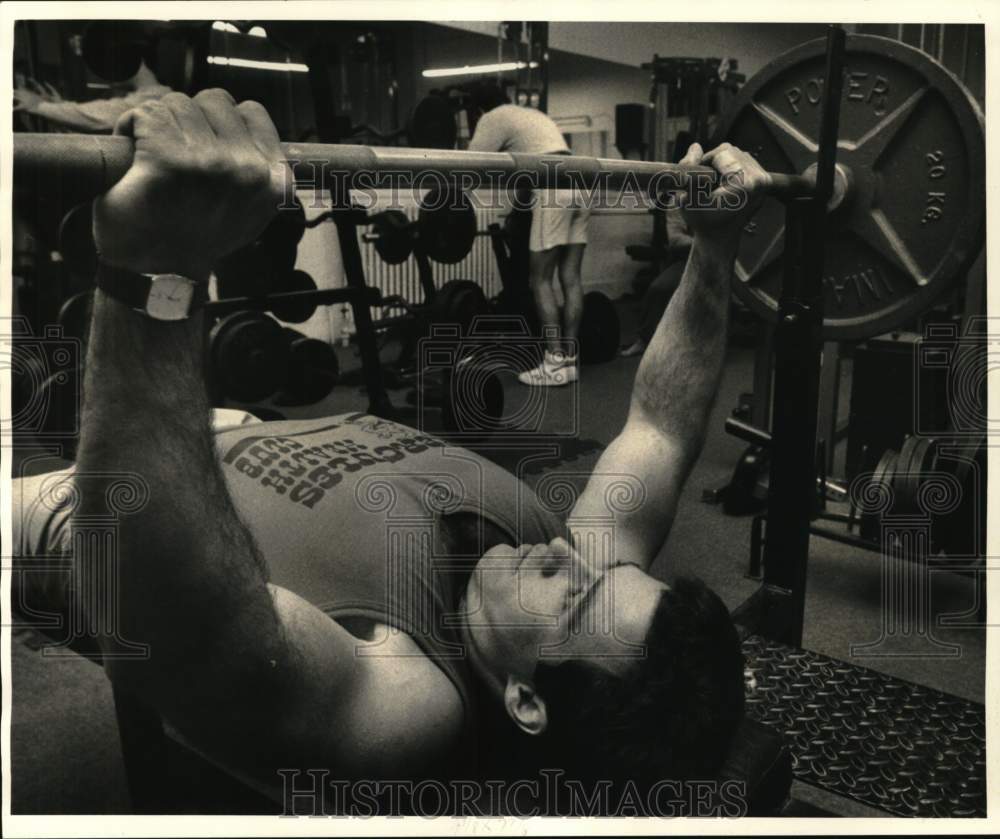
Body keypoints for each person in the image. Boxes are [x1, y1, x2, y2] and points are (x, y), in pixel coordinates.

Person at [11, 90, 770, 812]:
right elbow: (661, 427)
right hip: (218, 425)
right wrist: (714, 243)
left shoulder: (413, 702)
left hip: (108, 504)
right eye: (603, 567)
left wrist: (163, 269)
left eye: (574, 595)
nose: (568, 553)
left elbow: (187, 628)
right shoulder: (573, 570)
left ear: (526, 700)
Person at [466, 83, 589, 388]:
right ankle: (570, 360)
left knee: (540, 280)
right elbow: (527, 166)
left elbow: (467, 167)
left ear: (479, 108)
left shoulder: (491, 118)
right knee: (571, 277)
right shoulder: (529, 115)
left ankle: (554, 361)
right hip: (581, 180)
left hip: (553, 184)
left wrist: (449, 201)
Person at [13, 59, 171, 133]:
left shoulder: (157, 97)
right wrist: (59, 105)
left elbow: (101, 116)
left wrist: (39, 106)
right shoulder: (150, 95)